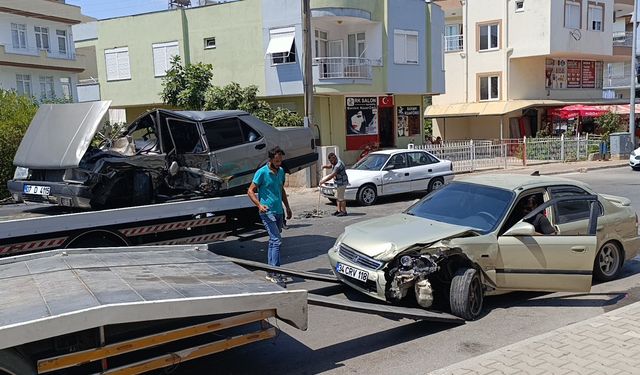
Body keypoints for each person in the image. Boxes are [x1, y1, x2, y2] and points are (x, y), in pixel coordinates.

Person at [247, 146, 292, 283]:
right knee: (276, 240)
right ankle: (275, 272)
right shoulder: (262, 172)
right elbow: (250, 191)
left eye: (280, 160)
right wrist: (259, 205)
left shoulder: (281, 171)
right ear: (271, 159)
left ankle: (271, 271)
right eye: (277, 161)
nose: (279, 163)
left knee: (274, 241)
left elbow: (281, 189)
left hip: (279, 211)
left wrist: (287, 207)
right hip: (267, 212)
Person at [319, 152, 349, 217]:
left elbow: (332, 175)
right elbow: (331, 165)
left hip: (342, 183)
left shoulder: (338, 165)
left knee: (341, 198)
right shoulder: (334, 161)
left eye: (332, 160)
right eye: (330, 161)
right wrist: (325, 166)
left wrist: (323, 181)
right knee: (337, 197)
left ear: (334, 158)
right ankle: (339, 211)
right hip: (337, 183)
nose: (331, 162)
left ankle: (344, 211)